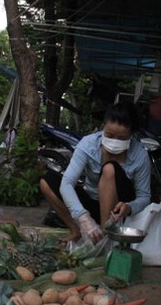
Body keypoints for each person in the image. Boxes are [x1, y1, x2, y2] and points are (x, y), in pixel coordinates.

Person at [40, 102, 151, 242]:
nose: (114, 141)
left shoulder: (140, 155)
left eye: (122, 138)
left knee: (109, 168)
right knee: (46, 181)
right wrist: (82, 217)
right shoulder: (88, 144)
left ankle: (105, 236)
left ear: (132, 135)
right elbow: (67, 182)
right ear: (103, 127)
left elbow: (144, 196)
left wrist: (129, 207)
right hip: (92, 203)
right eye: (110, 135)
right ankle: (76, 231)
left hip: (118, 210)